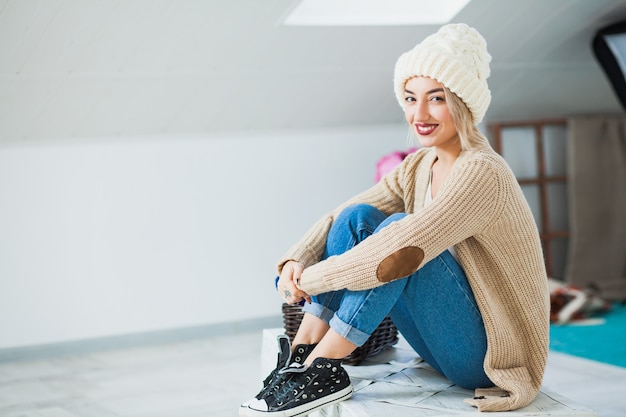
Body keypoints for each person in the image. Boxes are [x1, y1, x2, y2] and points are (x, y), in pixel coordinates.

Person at [239, 23, 549, 416]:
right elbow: (343, 215)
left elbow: (403, 246)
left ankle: (323, 367)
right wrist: (296, 261)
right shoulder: (420, 164)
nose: (418, 114)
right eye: (410, 98)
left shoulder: (482, 172)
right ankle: (302, 355)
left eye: (436, 99)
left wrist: (312, 280)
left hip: (486, 356)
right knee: (357, 218)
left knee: (399, 234)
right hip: (438, 343)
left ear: (464, 103)